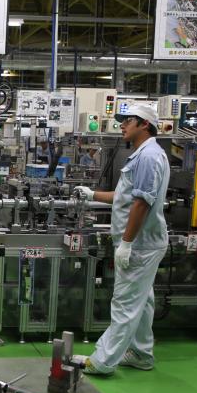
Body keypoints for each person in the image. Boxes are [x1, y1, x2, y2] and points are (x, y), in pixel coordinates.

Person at [74, 104, 170, 375]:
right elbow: (124, 196)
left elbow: (141, 203)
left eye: (128, 121)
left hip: (141, 244)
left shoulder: (149, 157)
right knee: (143, 300)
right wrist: (92, 194)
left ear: (144, 125)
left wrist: (127, 243)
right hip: (141, 242)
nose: (122, 125)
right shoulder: (142, 155)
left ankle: (102, 361)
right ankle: (141, 354)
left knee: (125, 302)